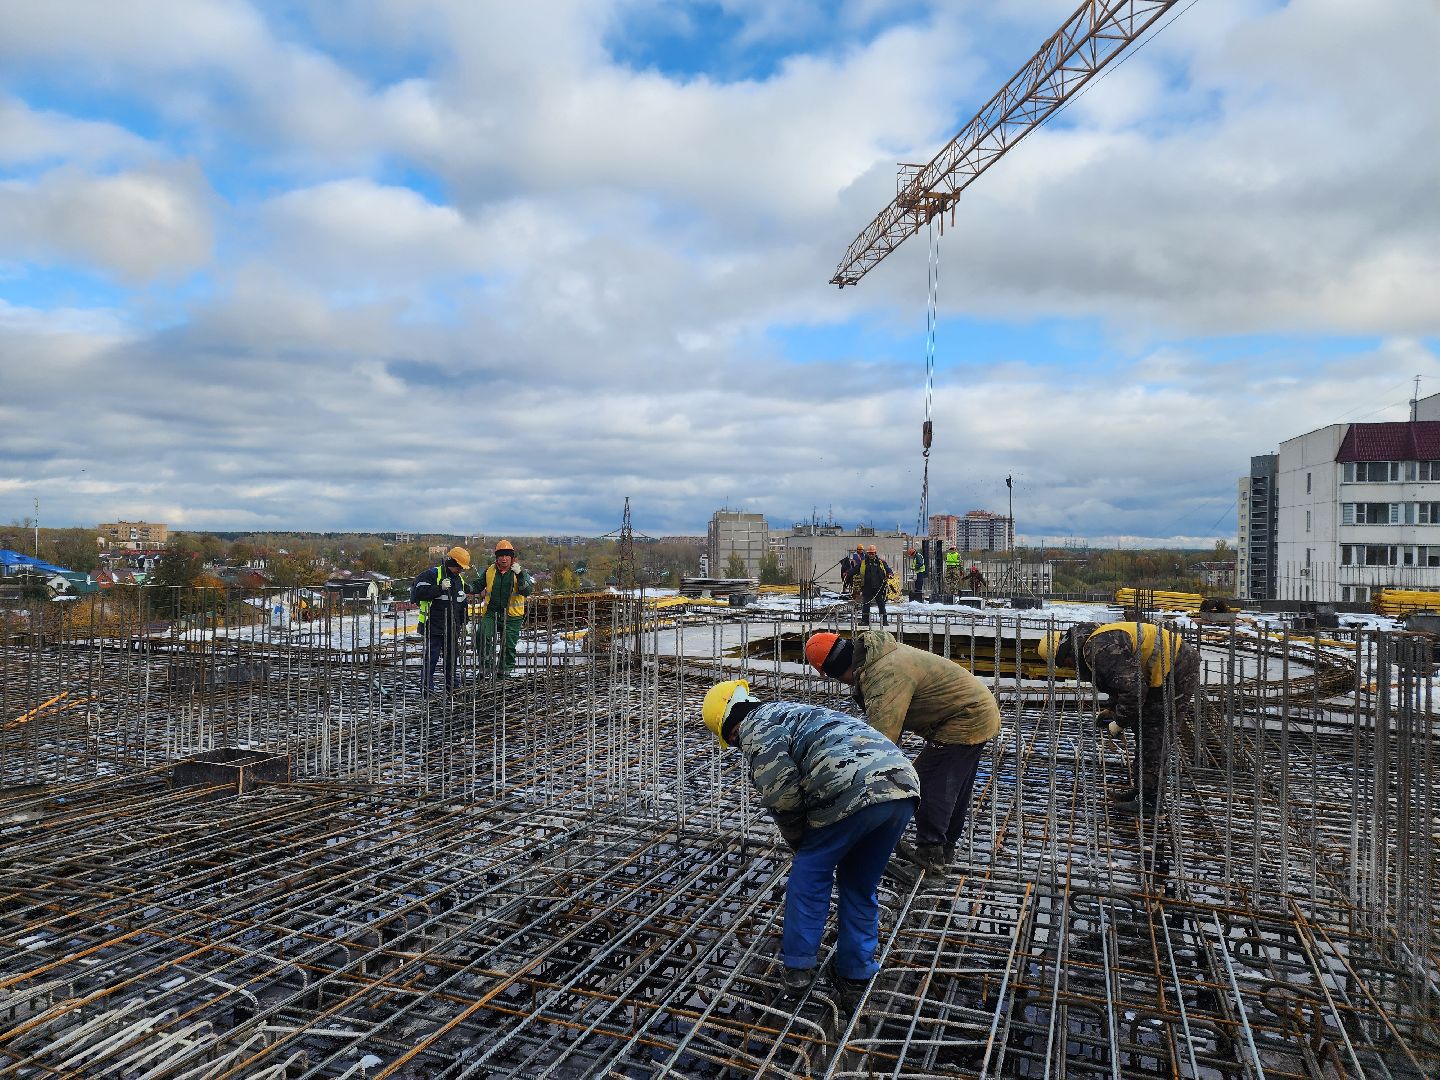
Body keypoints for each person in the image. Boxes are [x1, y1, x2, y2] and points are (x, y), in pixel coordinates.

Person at [702, 679, 919, 1007]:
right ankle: (855, 971)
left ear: (730, 730)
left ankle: (799, 967)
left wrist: (800, 843)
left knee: (810, 873)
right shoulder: (790, 711)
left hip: (852, 787)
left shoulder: (754, 727)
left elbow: (782, 795)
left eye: (731, 741)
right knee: (860, 884)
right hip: (902, 786)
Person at [805, 629, 1000, 872]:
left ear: (836, 671)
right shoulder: (877, 656)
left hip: (964, 718)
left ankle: (931, 859)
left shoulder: (883, 674)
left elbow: (882, 742)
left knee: (926, 784)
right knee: (952, 785)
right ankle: (944, 848)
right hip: (974, 712)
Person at [1037, 621, 1201, 814]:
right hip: (1164, 670)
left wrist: (1120, 722)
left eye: (1064, 662)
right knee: (1142, 729)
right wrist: (1112, 709)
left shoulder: (1097, 650)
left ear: (1065, 654)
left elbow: (1135, 691)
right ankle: (1143, 789)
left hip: (1177, 669)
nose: (1069, 667)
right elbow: (1121, 680)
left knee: (1154, 733)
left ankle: (1151, 801)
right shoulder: (1093, 641)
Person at [412, 546, 472, 694]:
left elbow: (462, 601)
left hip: (452, 627)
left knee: (451, 659)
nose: (461, 570)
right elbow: (418, 593)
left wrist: (465, 621)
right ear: (453, 562)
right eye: (460, 567)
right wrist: (439, 588)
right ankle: (427, 689)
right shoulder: (432, 575)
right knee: (431, 659)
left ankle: (453, 687)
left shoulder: (459, 580)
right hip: (434, 626)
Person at [476, 539, 534, 676]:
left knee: (508, 646)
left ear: (512, 558)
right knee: (482, 635)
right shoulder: (490, 570)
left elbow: (526, 591)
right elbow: (478, 585)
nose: (503, 559)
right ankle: (486, 670)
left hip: (512, 616)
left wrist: (519, 576)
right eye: (500, 556)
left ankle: (504, 673)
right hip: (491, 613)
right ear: (497, 558)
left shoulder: (520, 572)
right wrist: (463, 588)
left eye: (507, 556)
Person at [858, 545, 891, 626]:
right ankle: (865, 621)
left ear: (875, 553)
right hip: (867, 587)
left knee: (881, 604)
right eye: (870, 553)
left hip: (879, 588)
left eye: (872, 553)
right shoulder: (863, 563)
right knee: (866, 604)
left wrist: (890, 574)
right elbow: (855, 569)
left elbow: (888, 569)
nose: (871, 555)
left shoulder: (881, 562)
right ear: (868, 553)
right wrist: (847, 573)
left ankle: (884, 621)